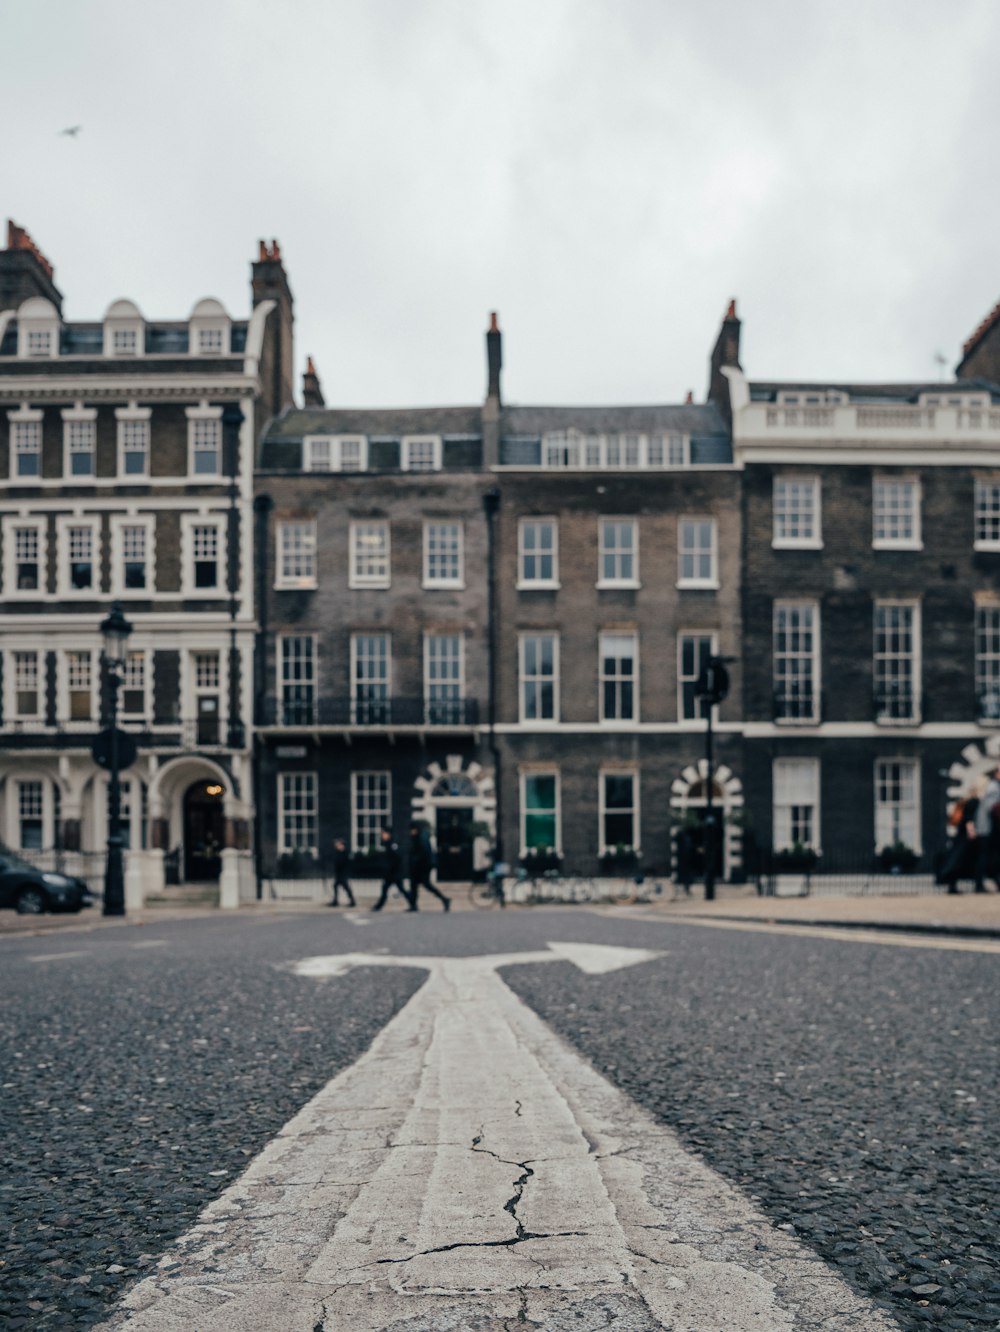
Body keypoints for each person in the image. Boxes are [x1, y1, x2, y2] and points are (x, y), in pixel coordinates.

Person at [940, 781, 983, 894]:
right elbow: (969, 819)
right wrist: (972, 832)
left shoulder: (964, 801)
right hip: (966, 837)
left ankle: (952, 885)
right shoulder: (973, 802)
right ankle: (974, 884)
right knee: (959, 861)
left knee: (956, 860)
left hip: (960, 835)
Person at [408, 821, 450, 912]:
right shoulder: (418, 837)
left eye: (411, 830)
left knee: (426, 885)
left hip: (423, 867)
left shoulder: (421, 838)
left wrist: (416, 862)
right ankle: (413, 905)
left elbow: (423, 854)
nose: (410, 832)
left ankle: (445, 899)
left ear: (415, 829)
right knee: (414, 886)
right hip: (420, 867)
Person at [970, 765, 1000, 893]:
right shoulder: (994, 787)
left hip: (988, 828)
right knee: (985, 856)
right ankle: (979, 884)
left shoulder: (993, 786)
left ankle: (989, 881)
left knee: (989, 856)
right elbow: (992, 807)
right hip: (987, 828)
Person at [370, 827, 414, 912]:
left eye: (383, 834)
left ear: (388, 834)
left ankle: (413, 904)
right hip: (391, 873)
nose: (382, 836)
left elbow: (397, 858)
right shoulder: (388, 844)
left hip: (394, 874)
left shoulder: (392, 844)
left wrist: (391, 869)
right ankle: (378, 906)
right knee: (386, 889)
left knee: (400, 889)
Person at [328, 836, 356, 907]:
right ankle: (336, 900)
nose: (335, 845)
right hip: (339, 873)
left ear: (341, 844)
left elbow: (345, 863)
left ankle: (351, 901)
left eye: (337, 844)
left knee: (345, 886)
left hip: (343, 873)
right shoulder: (337, 852)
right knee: (336, 886)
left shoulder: (345, 852)